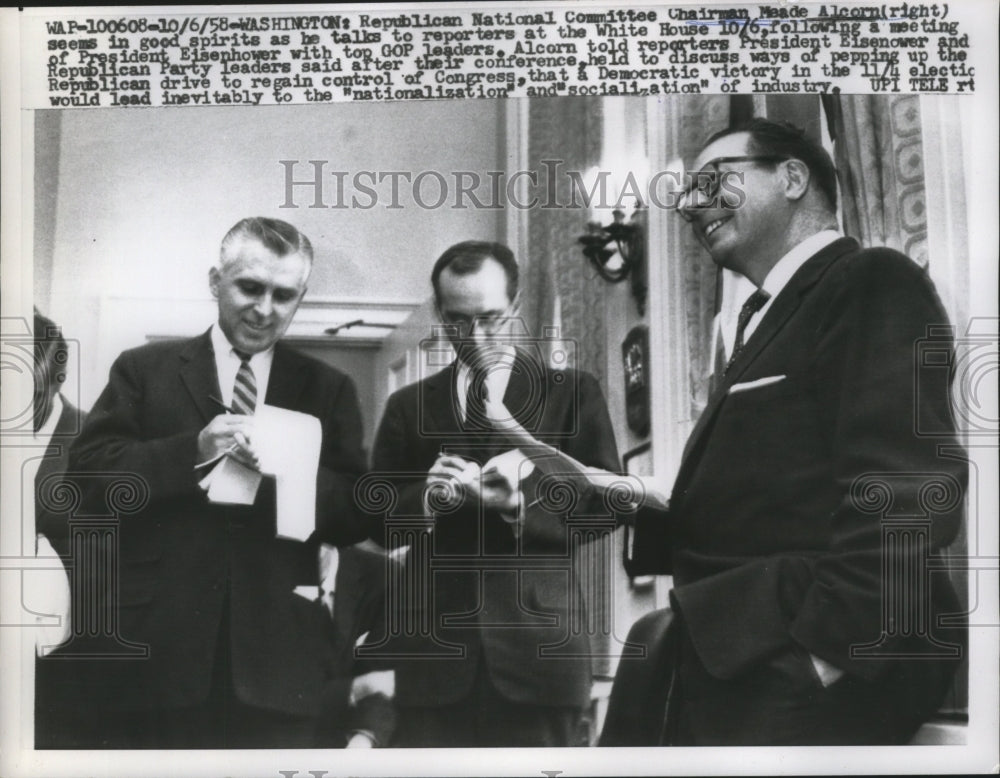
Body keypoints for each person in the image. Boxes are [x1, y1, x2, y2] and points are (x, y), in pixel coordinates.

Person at [601, 119, 966, 746]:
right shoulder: (758, 321)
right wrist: (628, 497)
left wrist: (825, 659)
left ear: (793, 176)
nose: (691, 205)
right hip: (731, 655)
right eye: (688, 190)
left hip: (813, 666)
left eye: (714, 179)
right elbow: (766, 503)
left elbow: (906, 486)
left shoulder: (869, 278)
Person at [65, 217, 368, 748]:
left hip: (279, 660)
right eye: (249, 287)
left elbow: (357, 513)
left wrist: (285, 469)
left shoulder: (329, 389)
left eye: (284, 294)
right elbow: (88, 482)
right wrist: (194, 451)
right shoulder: (142, 370)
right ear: (214, 281)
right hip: (155, 654)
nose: (265, 308)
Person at [368, 241, 621, 747]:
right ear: (439, 312)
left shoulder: (572, 392)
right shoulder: (406, 405)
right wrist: (427, 499)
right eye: (458, 321)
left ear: (517, 304)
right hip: (434, 658)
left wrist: (519, 506)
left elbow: (608, 503)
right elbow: (375, 519)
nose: (475, 336)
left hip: (540, 654)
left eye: (490, 318)